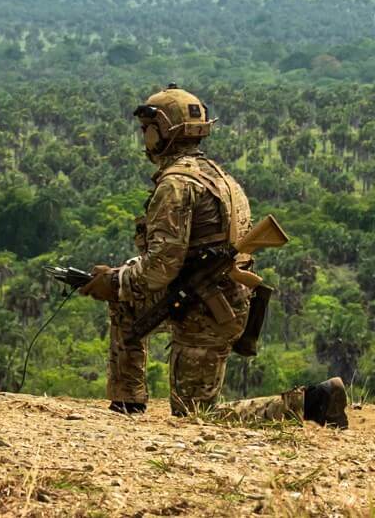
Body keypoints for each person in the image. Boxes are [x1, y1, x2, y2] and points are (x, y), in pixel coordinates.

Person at [76, 84, 348, 428]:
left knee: (195, 417)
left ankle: (312, 401)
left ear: (164, 131)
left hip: (206, 310)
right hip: (208, 299)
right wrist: (119, 280)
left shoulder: (176, 184)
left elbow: (160, 268)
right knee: (126, 300)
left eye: (147, 129)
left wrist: (115, 280)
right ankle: (127, 404)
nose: (143, 137)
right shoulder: (218, 175)